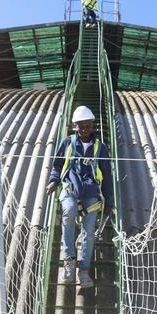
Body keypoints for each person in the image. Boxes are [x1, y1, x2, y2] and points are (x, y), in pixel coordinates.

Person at [46, 105, 114, 288]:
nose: (84, 129)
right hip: (70, 187)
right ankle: (69, 262)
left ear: (92, 125)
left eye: (87, 125)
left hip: (91, 191)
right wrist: (53, 181)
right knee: (68, 212)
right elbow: (57, 166)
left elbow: (107, 174)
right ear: (75, 126)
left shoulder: (101, 147)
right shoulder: (67, 143)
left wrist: (110, 201)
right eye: (80, 125)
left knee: (89, 230)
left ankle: (83, 271)